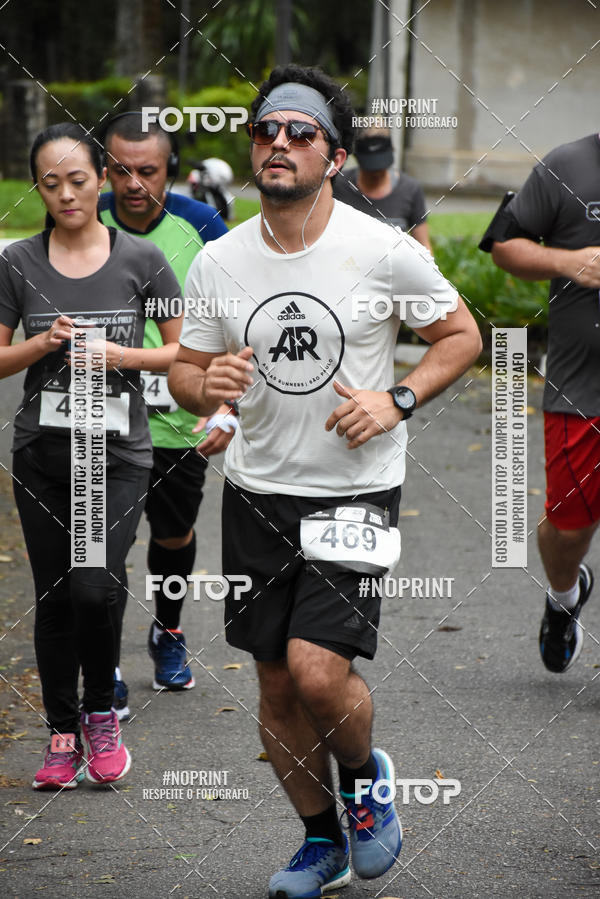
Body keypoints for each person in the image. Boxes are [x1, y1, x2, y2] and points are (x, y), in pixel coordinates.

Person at [168, 64, 481, 897]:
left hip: (355, 487)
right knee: (273, 681)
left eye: (300, 133)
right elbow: (186, 374)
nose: (279, 143)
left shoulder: (380, 249)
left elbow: (461, 335)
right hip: (255, 490)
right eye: (267, 130)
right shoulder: (219, 261)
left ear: (334, 157)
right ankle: (321, 841)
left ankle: (365, 777)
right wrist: (211, 390)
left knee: (316, 671)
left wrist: (397, 399)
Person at [0, 123, 182, 789]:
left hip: (118, 453)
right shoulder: (18, 261)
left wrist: (120, 355)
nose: (66, 194)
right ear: (38, 190)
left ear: (101, 178)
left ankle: (102, 710)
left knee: (94, 585)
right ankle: (61, 732)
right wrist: (42, 342)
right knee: (53, 596)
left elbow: (181, 351)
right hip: (43, 453)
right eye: (51, 184)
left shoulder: (141, 259)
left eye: (78, 180)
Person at [99, 113, 231, 709]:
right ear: (106, 169)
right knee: (104, 541)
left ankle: (169, 630)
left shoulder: (201, 223)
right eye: (121, 170)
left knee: (172, 534)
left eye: (146, 171)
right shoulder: (82, 214)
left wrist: (226, 400)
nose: (133, 183)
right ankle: (103, 663)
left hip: (178, 416)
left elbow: (235, 311)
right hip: (98, 416)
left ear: (169, 171)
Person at [480, 133, 600, 674]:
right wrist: (568, 262)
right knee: (569, 527)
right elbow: (504, 244)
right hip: (581, 390)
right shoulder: (566, 164)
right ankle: (564, 595)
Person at [332, 126, 431, 251]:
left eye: (380, 166)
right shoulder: (337, 186)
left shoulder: (410, 189)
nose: (376, 173)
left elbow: (423, 246)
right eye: (370, 166)